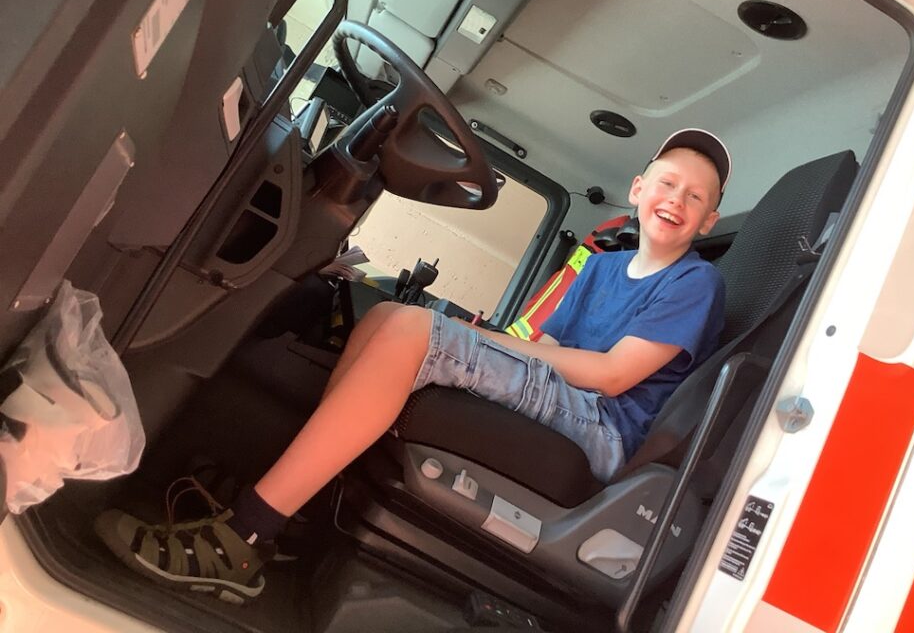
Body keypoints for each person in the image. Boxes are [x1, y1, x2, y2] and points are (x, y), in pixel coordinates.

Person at [95, 128, 731, 603]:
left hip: (602, 426)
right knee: (385, 318)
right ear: (639, 189)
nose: (676, 200)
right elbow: (546, 344)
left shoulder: (695, 283)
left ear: (710, 219)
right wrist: (490, 341)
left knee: (413, 333)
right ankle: (298, 507)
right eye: (667, 183)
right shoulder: (601, 267)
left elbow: (614, 375)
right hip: (565, 393)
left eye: (695, 197)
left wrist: (480, 343)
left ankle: (245, 539)